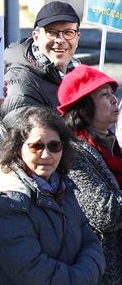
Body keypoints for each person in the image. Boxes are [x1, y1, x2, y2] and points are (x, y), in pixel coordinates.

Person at [0, 106, 105, 284]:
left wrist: (83, 274)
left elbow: (91, 244)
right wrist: (82, 278)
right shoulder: (6, 201)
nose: (46, 154)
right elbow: (32, 272)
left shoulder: (63, 186)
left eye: (54, 146)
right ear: (17, 148)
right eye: (36, 146)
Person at [58, 66, 122, 284]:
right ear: (83, 110)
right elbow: (105, 214)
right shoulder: (73, 153)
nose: (115, 100)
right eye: (104, 95)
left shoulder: (110, 144)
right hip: (101, 268)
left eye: (112, 93)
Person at [0, 1, 81, 120]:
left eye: (68, 32)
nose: (60, 40)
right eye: (51, 32)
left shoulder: (78, 72)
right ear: (36, 37)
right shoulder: (20, 86)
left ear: (77, 38)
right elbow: (33, 136)